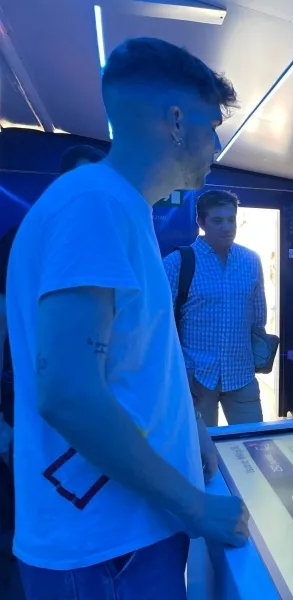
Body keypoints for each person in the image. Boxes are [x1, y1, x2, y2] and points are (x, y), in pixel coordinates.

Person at [5, 37, 249, 600]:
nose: (217, 144)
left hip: (128, 531)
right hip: (104, 546)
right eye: (213, 125)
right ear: (176, 120)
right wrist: (195, 506)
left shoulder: (118, 206)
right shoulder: (94, 204)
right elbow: (70, 394)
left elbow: (135, 358)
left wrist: (192, 428)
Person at [0, 143, 106, 599]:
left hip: (90, 411)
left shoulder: (105, 239)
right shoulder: (26, 236)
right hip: (26, 401)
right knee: (26, 513)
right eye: (81, 180)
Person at [163, 189, 266, 427]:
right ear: (201, 222)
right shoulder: (177, 263)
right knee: (201, 448)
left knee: (254, 442)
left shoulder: (251, 260)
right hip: (196, 378)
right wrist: (182, 369)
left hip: (241, 374)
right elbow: (161, 325)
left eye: (231, 219)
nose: (226, 227)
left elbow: (258, 319)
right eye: (217, 220)